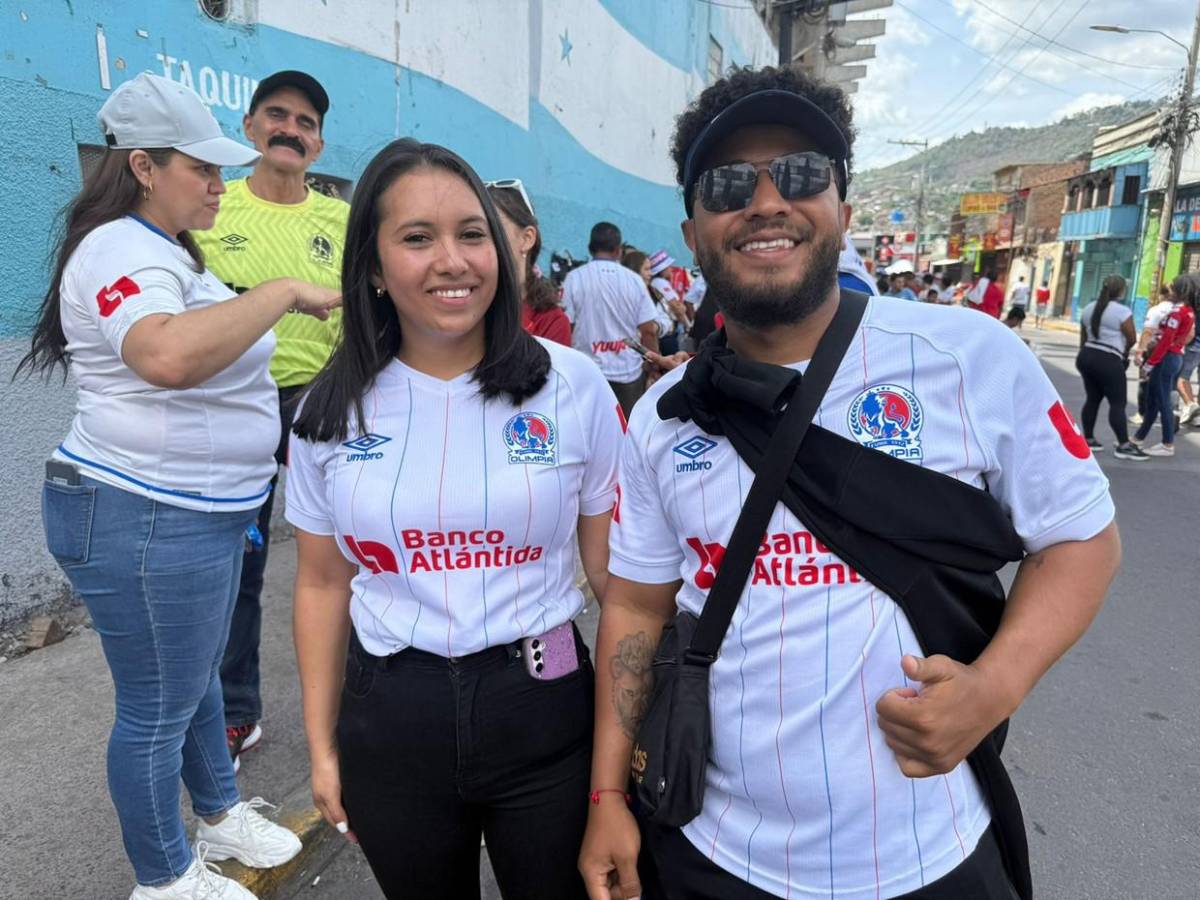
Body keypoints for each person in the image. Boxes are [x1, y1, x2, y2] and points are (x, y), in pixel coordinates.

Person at [579, 64, 1119, 900]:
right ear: (692, 230)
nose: (765, 202)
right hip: (715, 855)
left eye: (799, 175)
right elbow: (638, 606)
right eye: (728, 184)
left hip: (931, 851)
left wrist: (992, 689)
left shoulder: (969, 359)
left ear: (843, 211)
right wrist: (609, 795)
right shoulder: (663, 417)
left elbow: (1081, 537)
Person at [16, 73, 338, 899]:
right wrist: (281, 293)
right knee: (157, 709)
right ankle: (163, 879)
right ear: (144, 166)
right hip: (143, 514)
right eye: (201, 169)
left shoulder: (162, 250)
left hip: (189, 516)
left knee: (191, 683)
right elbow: (162, 354)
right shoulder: (121, 248)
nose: (218, 185)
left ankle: (220, 813)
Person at [286, 139, 623, 899]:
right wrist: (321, 747)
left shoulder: (573, 386)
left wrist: (621, 761)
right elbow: (319, 584)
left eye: (473, 234)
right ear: (371, 267)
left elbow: (616, 581)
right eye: (416, 238)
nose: (453, 260)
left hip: (546, 711)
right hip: (391, 718)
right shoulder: (326, 411)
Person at [190, 69, 348, 771]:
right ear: (250, 127)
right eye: (277, 115)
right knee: (241, 561)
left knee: (355, 553)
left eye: (306, 122)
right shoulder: (213, 211)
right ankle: (237, 711)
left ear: (318, 144)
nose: (291, 129)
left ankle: (367, 700)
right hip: (235, 402)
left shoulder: (342, 222)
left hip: (324, 400)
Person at [562, 222, 660, 415]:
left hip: (586, 373)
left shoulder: (574, 278)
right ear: (618, 250)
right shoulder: (634, 281)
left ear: (590, 248)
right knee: (627, 432)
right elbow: (648, 329)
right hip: (628, 375)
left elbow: (567, 326)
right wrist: (653, 363)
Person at [486, 178, 571, 346]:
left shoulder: (550, 322)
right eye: (473, 232)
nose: (483, 241)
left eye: (495, 229)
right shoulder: (465, 308)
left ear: (527, 238)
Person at [1074, 275, 1147, 460]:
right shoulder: (1122, 312)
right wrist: (1123, 354)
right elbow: (1131, 337)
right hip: (1108, 358)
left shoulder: (1089, 308)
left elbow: (1083, 337)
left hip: (1087, 355)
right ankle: (1123, 445)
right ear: (1121, 291)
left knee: (1092, 399)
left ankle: (1088, 439)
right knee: (1117, 403)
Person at [1132, 273, 1199, 457]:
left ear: (1179, 290)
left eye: (1173, 287)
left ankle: (1167, 443)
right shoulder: (1189, 311)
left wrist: (1149, 364)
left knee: (1162, 402)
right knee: (1153, 400)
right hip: (1173, 357)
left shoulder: (1178, 313)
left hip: (1167, 358)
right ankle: (1138, 438)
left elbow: (1166, 341)